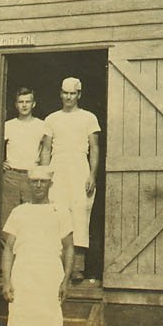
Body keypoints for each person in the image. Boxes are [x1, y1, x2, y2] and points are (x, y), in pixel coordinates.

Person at [0, 165, 74, 326]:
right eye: (34, 181)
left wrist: (66, 280)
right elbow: (8, 248)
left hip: (50, 276)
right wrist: (6, 281)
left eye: (43, 181)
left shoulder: (60, 211)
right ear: (28, 184)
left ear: (50, 184)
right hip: (23, 276)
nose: (39, 185)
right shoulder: (19, 212)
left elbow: (69, 247)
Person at [42, 76, 101, 282]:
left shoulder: (88, 118)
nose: (68, 97)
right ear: (60, 94)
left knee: (80, 215)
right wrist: (45, 174)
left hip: (79, 166)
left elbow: (94, 147)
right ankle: (58, 264)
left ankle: (77, 267)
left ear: (79, 95)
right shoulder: (51, 119)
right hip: (57, 167)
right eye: (65, 93)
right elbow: (46, 149)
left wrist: (92, 174)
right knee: (57, 213)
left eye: (72, 93)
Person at [0, 86, 48, 220]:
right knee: (8, 217)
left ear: (34, 104)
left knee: (32, 216)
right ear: (16, 105)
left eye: (28, 102)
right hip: (11, 176)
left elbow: (46, 151)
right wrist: (0, 163)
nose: (24, 105)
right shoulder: (8, 125)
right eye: (21, 102)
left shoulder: (42, 125)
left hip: (32, 176)